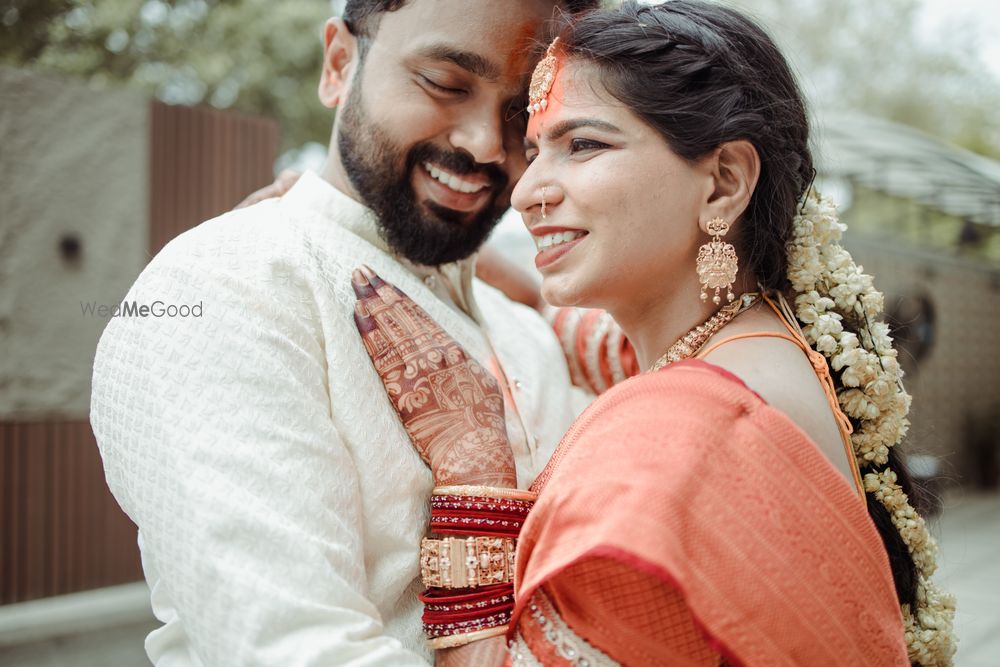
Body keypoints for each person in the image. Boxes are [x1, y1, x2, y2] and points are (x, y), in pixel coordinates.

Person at [351, 2, 957, 665]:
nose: (526, 193)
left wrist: (472, 469)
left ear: (724, 182)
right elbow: (603, 344)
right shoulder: (768, 342)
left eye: (584, 145)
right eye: (535, 151)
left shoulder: (684, 435)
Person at [89, 1, 602, 664]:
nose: (484, 144)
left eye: (520, 111)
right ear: (338, 64)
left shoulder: (525, 328)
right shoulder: (224, 285)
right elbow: (294, 649)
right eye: (445, 83)